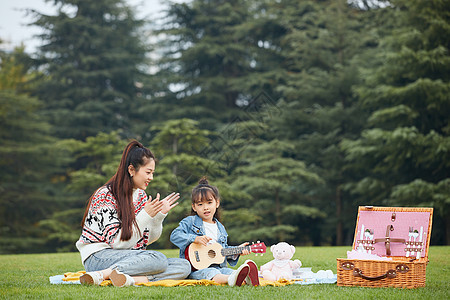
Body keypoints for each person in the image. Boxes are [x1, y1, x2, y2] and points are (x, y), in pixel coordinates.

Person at [76, 140, 191, 287]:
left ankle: (131, 280)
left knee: (183, 265)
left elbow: (146, 240)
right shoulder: (105, 195)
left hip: (126, 257)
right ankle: (102, 274)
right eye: (148, 172)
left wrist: (158, 216)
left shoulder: (141, 196)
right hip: (98, 258)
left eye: (152, 173)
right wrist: (146, 215)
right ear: (131, 170)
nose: (151, 178)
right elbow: (117, 244)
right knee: (158, 258)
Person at [170, 177, 260, 286]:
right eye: (200, 204)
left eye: (209, 202)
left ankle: (243, 277)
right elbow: (174, 236)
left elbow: (221, 251)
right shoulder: (190, 221)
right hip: (196, 270)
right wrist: (195, 239)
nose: (205, 207)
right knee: (212, 273)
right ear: (194, 207)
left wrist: (238, 250)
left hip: (218, 266)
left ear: (217, 203)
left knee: (229, 271)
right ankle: (233, 279)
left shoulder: (220, 228)